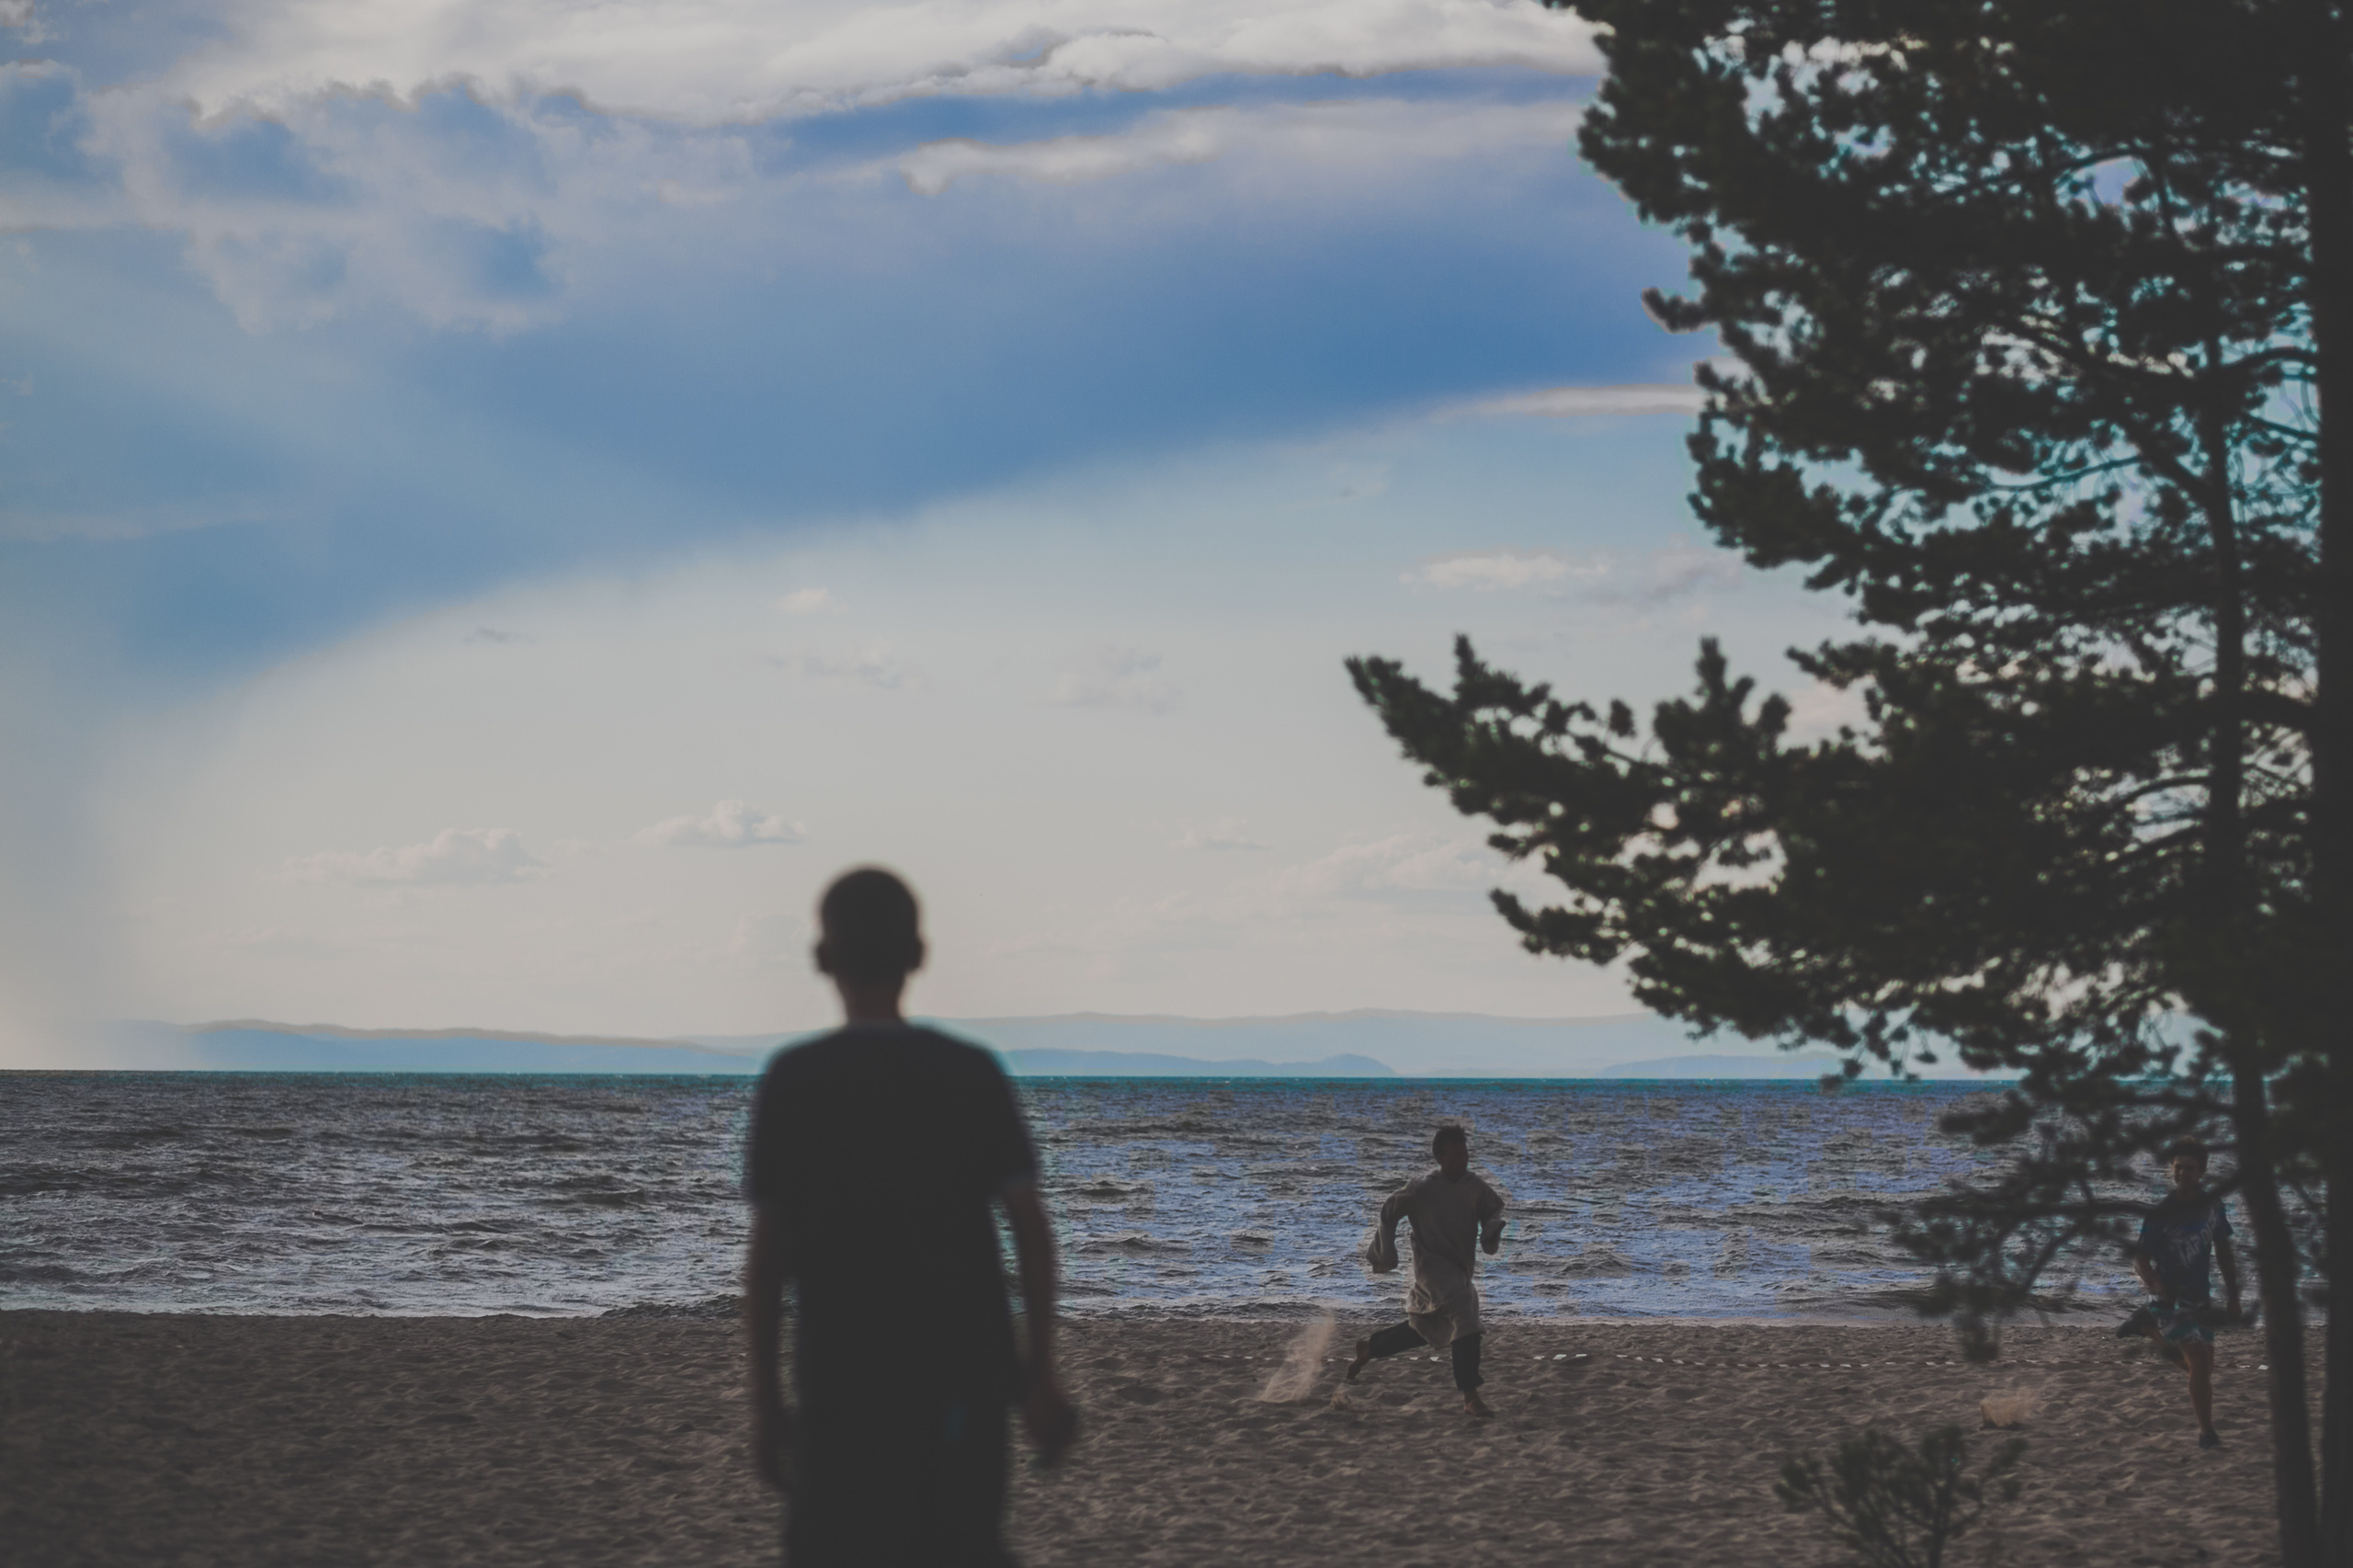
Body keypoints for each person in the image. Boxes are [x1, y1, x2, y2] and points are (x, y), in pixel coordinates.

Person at [744, 867, 1076, 1565]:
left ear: (822, 959)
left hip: (840, 1386)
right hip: (966, 1385)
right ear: (918, 955)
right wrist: (1039, 1371)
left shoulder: (795, 1081)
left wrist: (766, 1399)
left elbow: (767, 1262)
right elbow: (1032, 1234)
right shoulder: (971, 1073)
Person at [1345, 1123, 1506, 1418]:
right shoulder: (1423, 1188)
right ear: (1440, 1158)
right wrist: (1385, 1251)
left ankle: (1370, 1347)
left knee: (1425, 1327)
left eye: (1465, 1153)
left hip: (1458, 1270)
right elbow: (1390, 1209)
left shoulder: (1474, 1186)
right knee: (1464, 1317)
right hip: (1431, 1270)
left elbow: (1493, 1210)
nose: (1462, 1159)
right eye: (1455, 1154)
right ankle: (1470, 1397)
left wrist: (1491, 1232)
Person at [2121, 1135, 2242, 1449]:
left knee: (2202, 1370)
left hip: (2201, 1297)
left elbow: (2224, 1251)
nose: (2182, 1174)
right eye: (2177, 1168)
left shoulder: (2213, 1206)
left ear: (2201, 1171)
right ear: (2171, 1170)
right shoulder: (2162, 1212)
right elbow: (2139, 1257)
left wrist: (2233, 1295)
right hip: (2170, 1300)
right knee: (2199, 1365)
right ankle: (2207, 1433)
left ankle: (2148, 1330)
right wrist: (2155, 1283)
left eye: (2188, 1169)